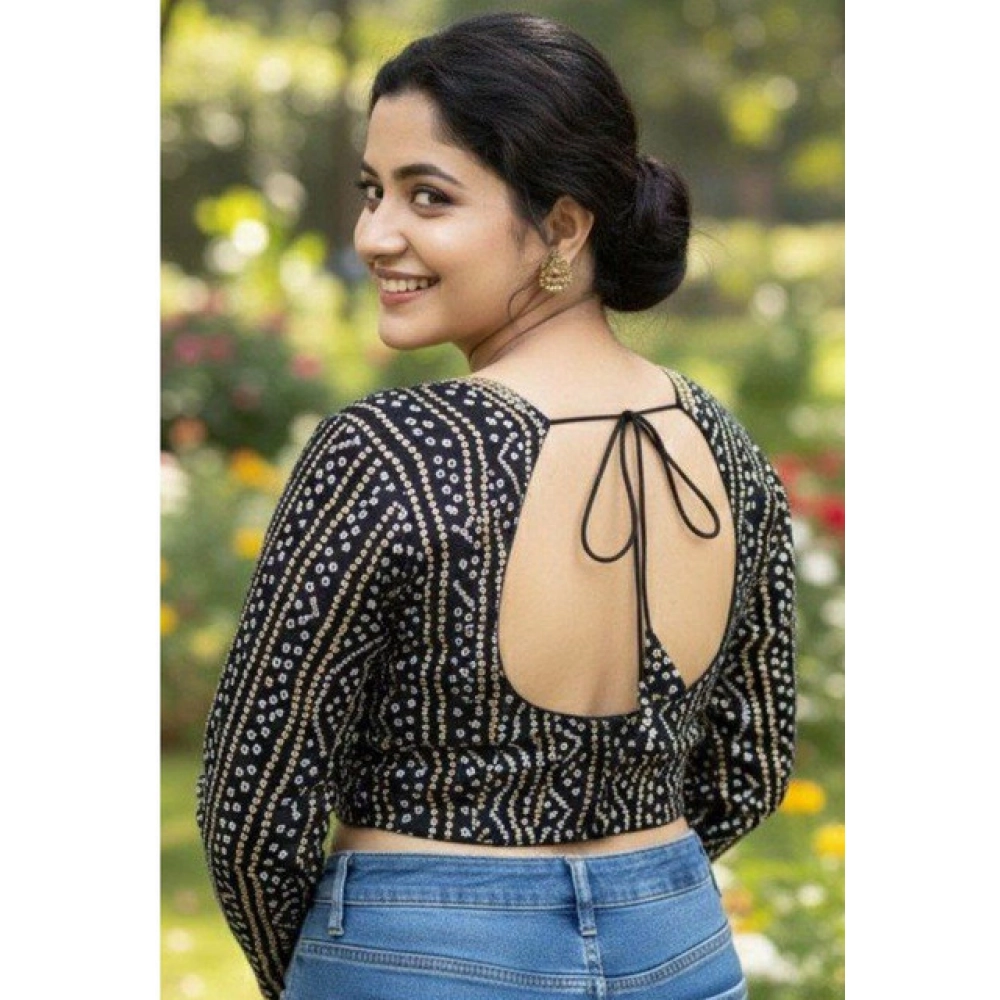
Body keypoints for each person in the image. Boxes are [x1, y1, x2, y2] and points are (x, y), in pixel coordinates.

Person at [195, 12, 797, 1000]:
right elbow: (753, 766)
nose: (374, 235)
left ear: (562, 227)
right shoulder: (724, 447)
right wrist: (632, 888)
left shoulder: (391, 451)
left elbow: (254, 811)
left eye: (428, 196)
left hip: (418, 954)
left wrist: (340, 967)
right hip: (679, 949)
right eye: (372, 191)